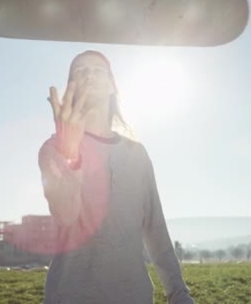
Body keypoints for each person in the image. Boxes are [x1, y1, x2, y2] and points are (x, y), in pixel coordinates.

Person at [38, 50, 195, 304]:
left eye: (99, 70)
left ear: (112, 86)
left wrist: (178, 293)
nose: (90, 75)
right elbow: (66, 215)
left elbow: (155, 230)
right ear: (71, 88)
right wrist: (69, 155)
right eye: (81, 71)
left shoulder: (137, 154)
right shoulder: (51, 149)